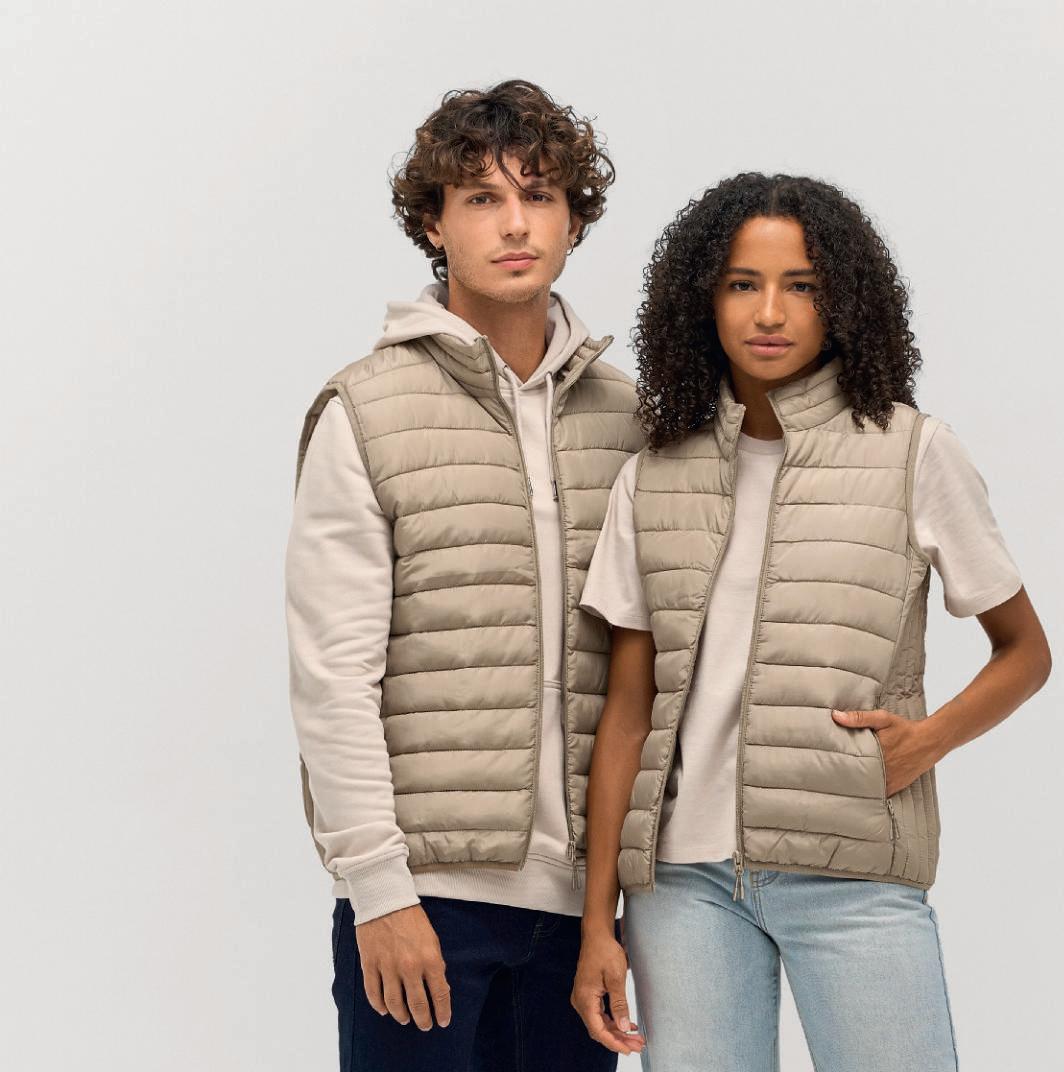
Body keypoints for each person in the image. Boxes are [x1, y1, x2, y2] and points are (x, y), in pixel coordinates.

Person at [570, 172, 1052, 1070]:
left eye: (801, 286)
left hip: (852, 876)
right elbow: (627, 712)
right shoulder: (654, 474)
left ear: (843, 303)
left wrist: (927, 740)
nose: (770, 312)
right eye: (742, 284)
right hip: (680, 887)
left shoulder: (911, 451)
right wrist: (599, 922)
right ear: (702, 300)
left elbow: (1023, 652)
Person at [284, 79, 646, 1071]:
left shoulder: (629, 418)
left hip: (583, 917)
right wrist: (378, 890)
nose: (515, 223)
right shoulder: (366, 411)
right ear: (433, 225)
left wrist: (618, 903)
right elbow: (332, 676)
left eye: (539, 195)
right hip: (425, 901)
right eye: (482, 197)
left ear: (575, 220)